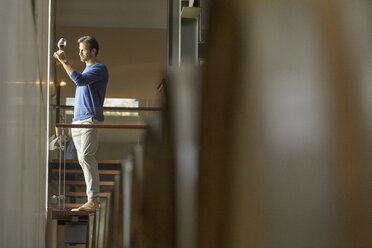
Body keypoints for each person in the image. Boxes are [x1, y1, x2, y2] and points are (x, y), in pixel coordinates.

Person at [54, 36, 109, 211]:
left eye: (83, 49)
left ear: (93, 51)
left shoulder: (100, 68)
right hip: (78, 120)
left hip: (90, 118)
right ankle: (91, 199)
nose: (80, 52)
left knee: (86, 157)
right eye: (79, 49)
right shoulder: (87, 70)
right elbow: (80, 78)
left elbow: (79, 80)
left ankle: (93, 200)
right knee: (83, 161)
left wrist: (64, 61)